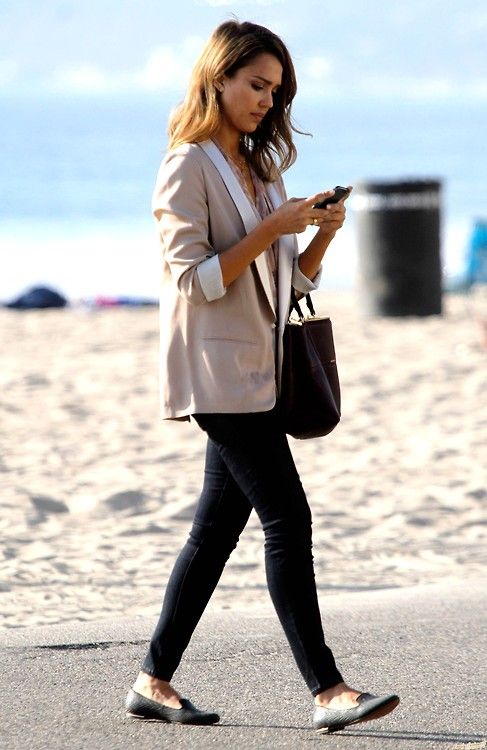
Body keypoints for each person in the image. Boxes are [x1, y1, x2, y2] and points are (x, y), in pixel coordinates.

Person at [125, 19, 399, 734]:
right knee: (287, 518)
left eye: (275, 92)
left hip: (261, 373)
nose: (266, 102)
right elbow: (194, 280)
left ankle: (153, 679)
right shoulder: (185, 166)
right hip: (216, 374)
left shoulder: (260, 168)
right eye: (255, 85)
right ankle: (328, 689)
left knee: (214, 532)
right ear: (217, 78)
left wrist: (319, 235)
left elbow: (286, 285)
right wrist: (271, 229)